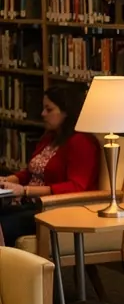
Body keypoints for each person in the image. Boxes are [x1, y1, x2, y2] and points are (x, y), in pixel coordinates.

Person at [0, 84, 100, 245]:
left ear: (66, 112)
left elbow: (76, 187)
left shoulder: (81, 142)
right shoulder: (50, 137)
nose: (42, 114)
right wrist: (7, 181)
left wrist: (26, 191)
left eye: (49, 109)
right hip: (29, 203)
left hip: (51, 210)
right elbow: (31, 172)